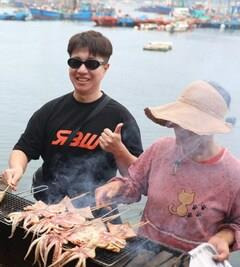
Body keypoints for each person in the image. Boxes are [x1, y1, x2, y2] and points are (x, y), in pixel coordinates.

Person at [95, 80, 240, 261]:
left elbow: (237, 223)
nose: (180, 132)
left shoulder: (234, 174)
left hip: (192, 260)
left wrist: (224, 237)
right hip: (143, 253)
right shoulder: (161, 149)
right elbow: (134, 184)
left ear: (210, 129)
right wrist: (117, 188)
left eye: (190, 128)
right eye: (178, 123)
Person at [0, 30, 143, 208]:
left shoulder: (120, 117)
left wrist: (118, 150)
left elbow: (138, 177)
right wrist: (16, 169)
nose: (82, 70)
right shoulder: (50, 110)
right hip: (48, 207)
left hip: (96, 211)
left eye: (91, 64)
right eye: (75, 63)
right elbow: (23, 148)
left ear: (105, 68)